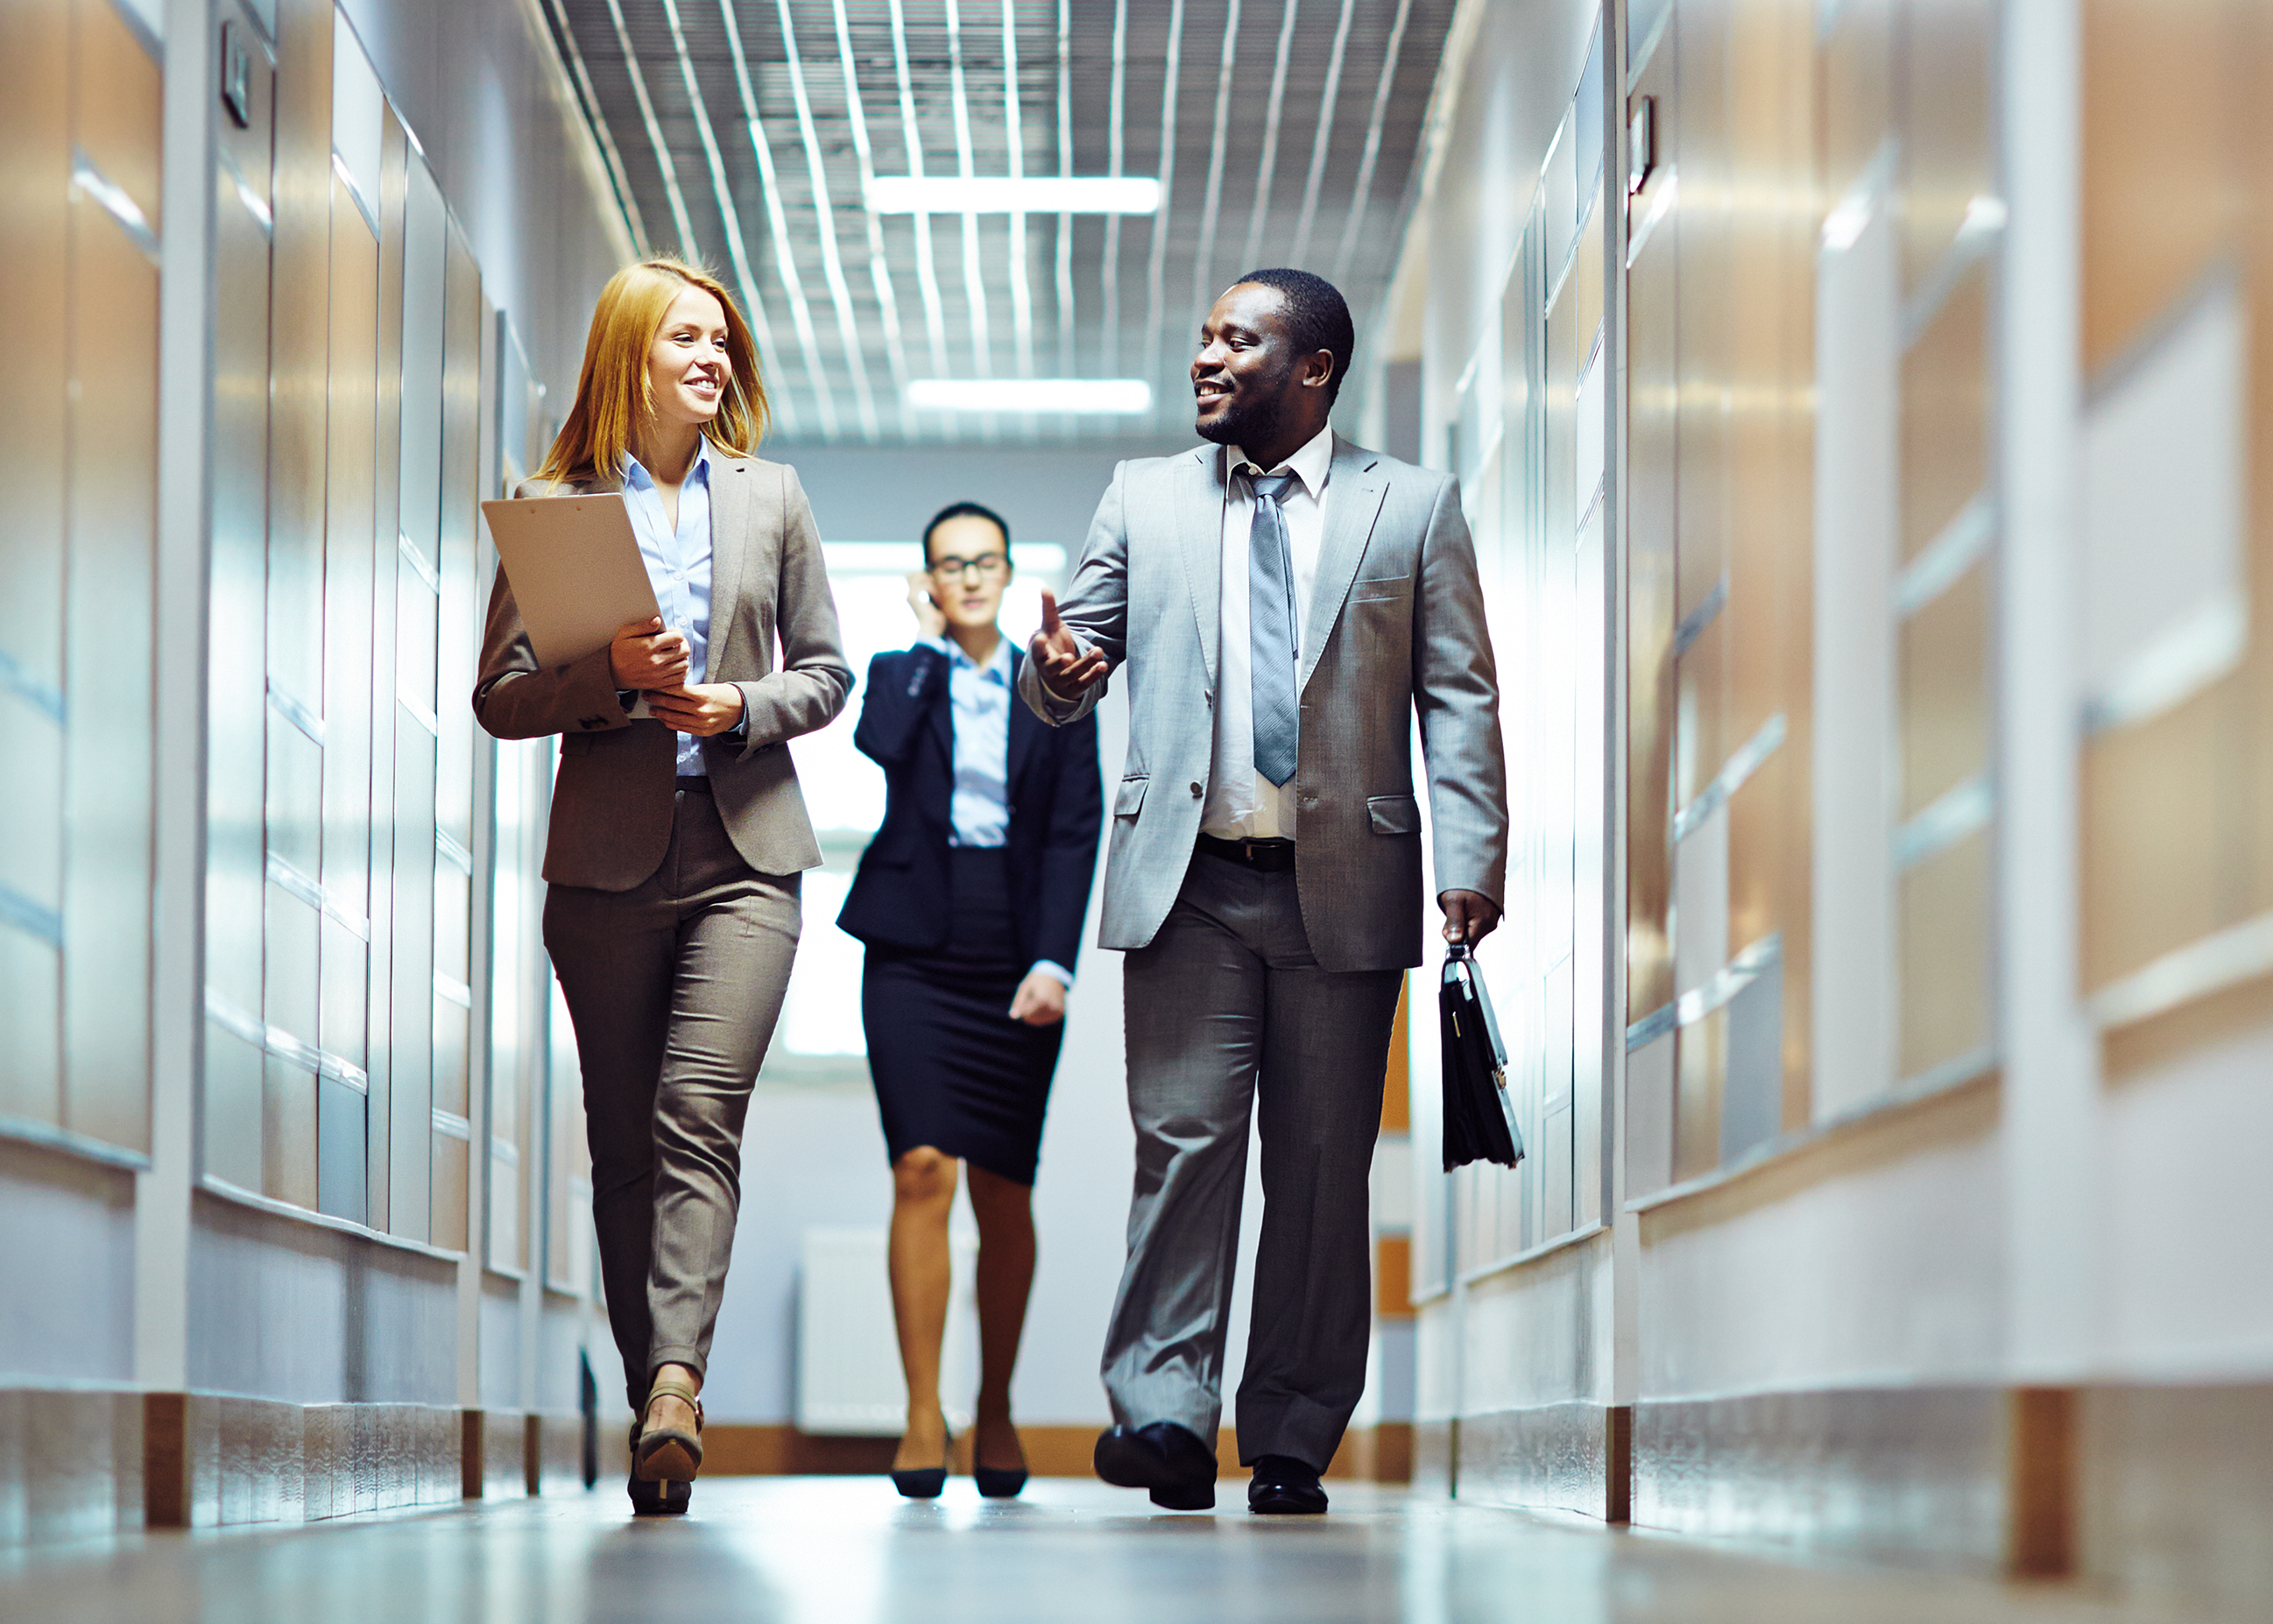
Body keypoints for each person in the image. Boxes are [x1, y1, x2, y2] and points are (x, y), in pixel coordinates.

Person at [1024, 266, 1506, 1516]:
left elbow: (1458, 694)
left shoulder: (1413, 506)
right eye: (1204, 337)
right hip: (1188, 883)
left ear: (1313, 369)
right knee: (1183, 1146)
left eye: (1237, 341)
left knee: (1321, 1166)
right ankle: (1165, 1413)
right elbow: (1075, 660)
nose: (1206, 357)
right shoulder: (1145, 498)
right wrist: (1060, 673)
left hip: (1346, 882)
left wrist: (1471, 857)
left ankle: (1291, 1433)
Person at [472, 258, 851, 1519]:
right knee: (624, 1139)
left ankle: (679, 1380)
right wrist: (614, 681)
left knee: (698, 1111)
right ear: (629, 353)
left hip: (747, 854)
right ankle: (655, 1406)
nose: (713, 357)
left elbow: (828, 673)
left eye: (723, 340)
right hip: (605, 863)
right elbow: (501, 697)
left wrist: (740, 704)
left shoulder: (771, 496)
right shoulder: (556, 508)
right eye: (687, 337)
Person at [844, 500, 1105, 1500]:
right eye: (948, 565)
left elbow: (1075, 827)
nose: (967, 578)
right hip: (912, 944)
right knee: (921, 1168)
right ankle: (923, 1413)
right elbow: (880, 745)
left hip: (1015, 946)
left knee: (1002, 1186)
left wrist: (1055, 962)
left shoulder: (1054, 682)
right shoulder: (901, 671)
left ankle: (995, 1405)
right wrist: (924, 644)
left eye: (983, 561)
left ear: (1006, 571)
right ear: (929, 580)